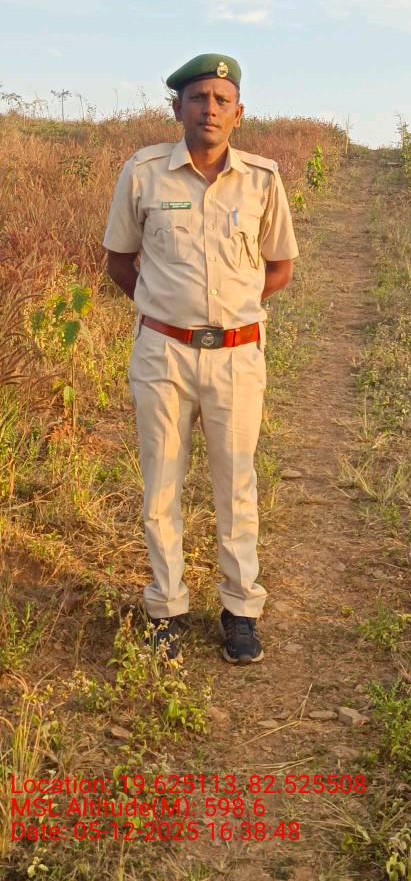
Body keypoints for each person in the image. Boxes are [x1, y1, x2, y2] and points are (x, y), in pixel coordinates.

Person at [103, 53, 298, 664]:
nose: (209, 109)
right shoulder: (143, 174)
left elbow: (280, 267)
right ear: (177, 108)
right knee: (161, 485)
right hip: (162, 355)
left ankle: (240, 609)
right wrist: (167, 314)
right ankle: (166, 607)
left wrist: (233, 314)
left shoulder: (262, 180)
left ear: (239, 113)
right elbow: (119, 261)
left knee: (237, 485)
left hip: (236, 357)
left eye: (221, 100)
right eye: (197, 98)